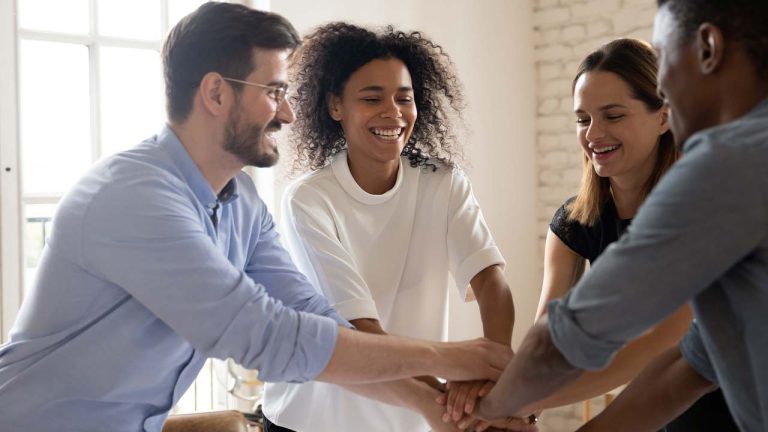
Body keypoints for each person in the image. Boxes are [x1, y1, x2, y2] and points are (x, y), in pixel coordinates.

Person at [0, 4, 514, 431]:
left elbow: (316, 320)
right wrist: (450, 360)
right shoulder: (134, 196)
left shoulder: (242, 202)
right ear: (216, 93)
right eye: (274, 92)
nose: (288, 114)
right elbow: (263, 334)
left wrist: (435, 408)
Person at [473, 0, 768, 430]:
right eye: (583, 119)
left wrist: (489, 410)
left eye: (664, 61)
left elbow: (567, 340)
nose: (663, 84)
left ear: (708, 47)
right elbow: (684, 372)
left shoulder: (729, 163)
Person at [261, 22, 522, 432]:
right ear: (335, 106)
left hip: (410, 417)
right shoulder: (309, 200)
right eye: (372, 98)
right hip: (314, 420)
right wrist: (450, 395)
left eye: (405, 98)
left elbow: (491, 281)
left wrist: (490, 369)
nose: (393, 112)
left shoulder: (443, 182)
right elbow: (362, 332)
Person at [529, 39, 734, 431]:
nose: (594, 133)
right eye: (582, 119)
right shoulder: (575, 223)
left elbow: (664, 342)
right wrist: (514, 406)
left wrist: (529, 398)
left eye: (613, 115)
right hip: (659, 411)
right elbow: (549, 342)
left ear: (664, 117)